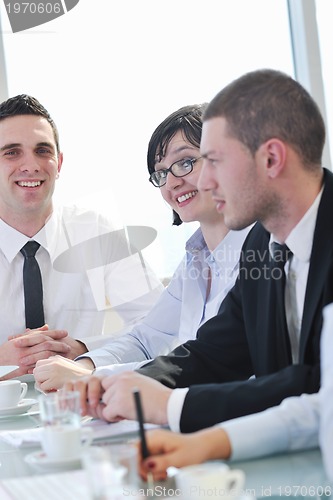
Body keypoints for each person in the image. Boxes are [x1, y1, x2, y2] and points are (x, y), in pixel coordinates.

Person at [65, 69, 333, 435]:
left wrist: (172, 406)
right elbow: (215, 351)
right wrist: (127, 388)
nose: (202, 181)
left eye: (213, 161)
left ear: (271, 158)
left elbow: (319, 387)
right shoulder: (266, 246)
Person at [33, 104, 252, 391]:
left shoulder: (263, 255)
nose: (172, 182)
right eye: (160, 173)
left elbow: (207, 361)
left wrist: (92, 378)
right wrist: (84, 365)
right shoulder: (195, 261)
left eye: (185, 162)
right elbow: (145, 338)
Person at [0, 94, 163, 379]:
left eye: (42, 151)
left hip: (83, 406)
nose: (31, 165)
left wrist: (82, 350)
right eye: (12, 152)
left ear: (59, 163)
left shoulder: (97, 232)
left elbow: (161, 326)